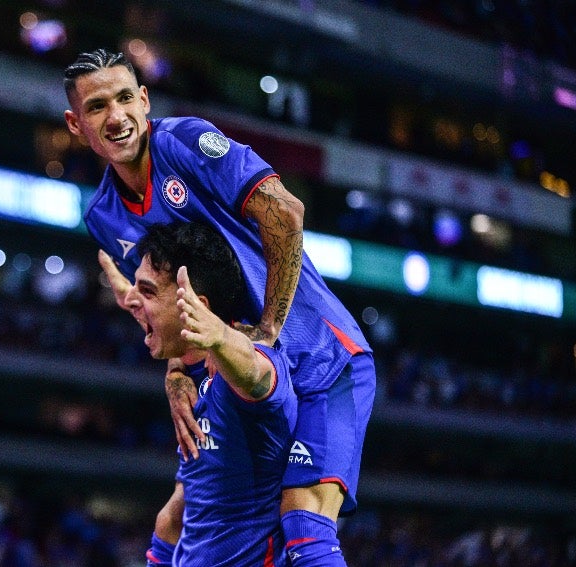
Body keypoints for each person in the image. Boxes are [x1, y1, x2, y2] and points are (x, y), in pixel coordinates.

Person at [64, 48, 375, 566]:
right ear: (76, 124)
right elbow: (171, 298)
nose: (116, 117)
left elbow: (286, 212)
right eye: (97, 107)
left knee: (303, 520)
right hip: (232, 372)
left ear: (145, 101)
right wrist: (177, 369)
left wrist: (270, 327)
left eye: (124, 99)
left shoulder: (186, 142)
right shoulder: (105, 216)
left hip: (321, 359)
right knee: (183, 520)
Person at [124, 221, 296, 567]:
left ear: (195, 307)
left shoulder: (249, 371)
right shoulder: (188, 384)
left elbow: (256, 371)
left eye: (147, 291)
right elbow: (174, 515)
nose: (130, 300)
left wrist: (220, 336)